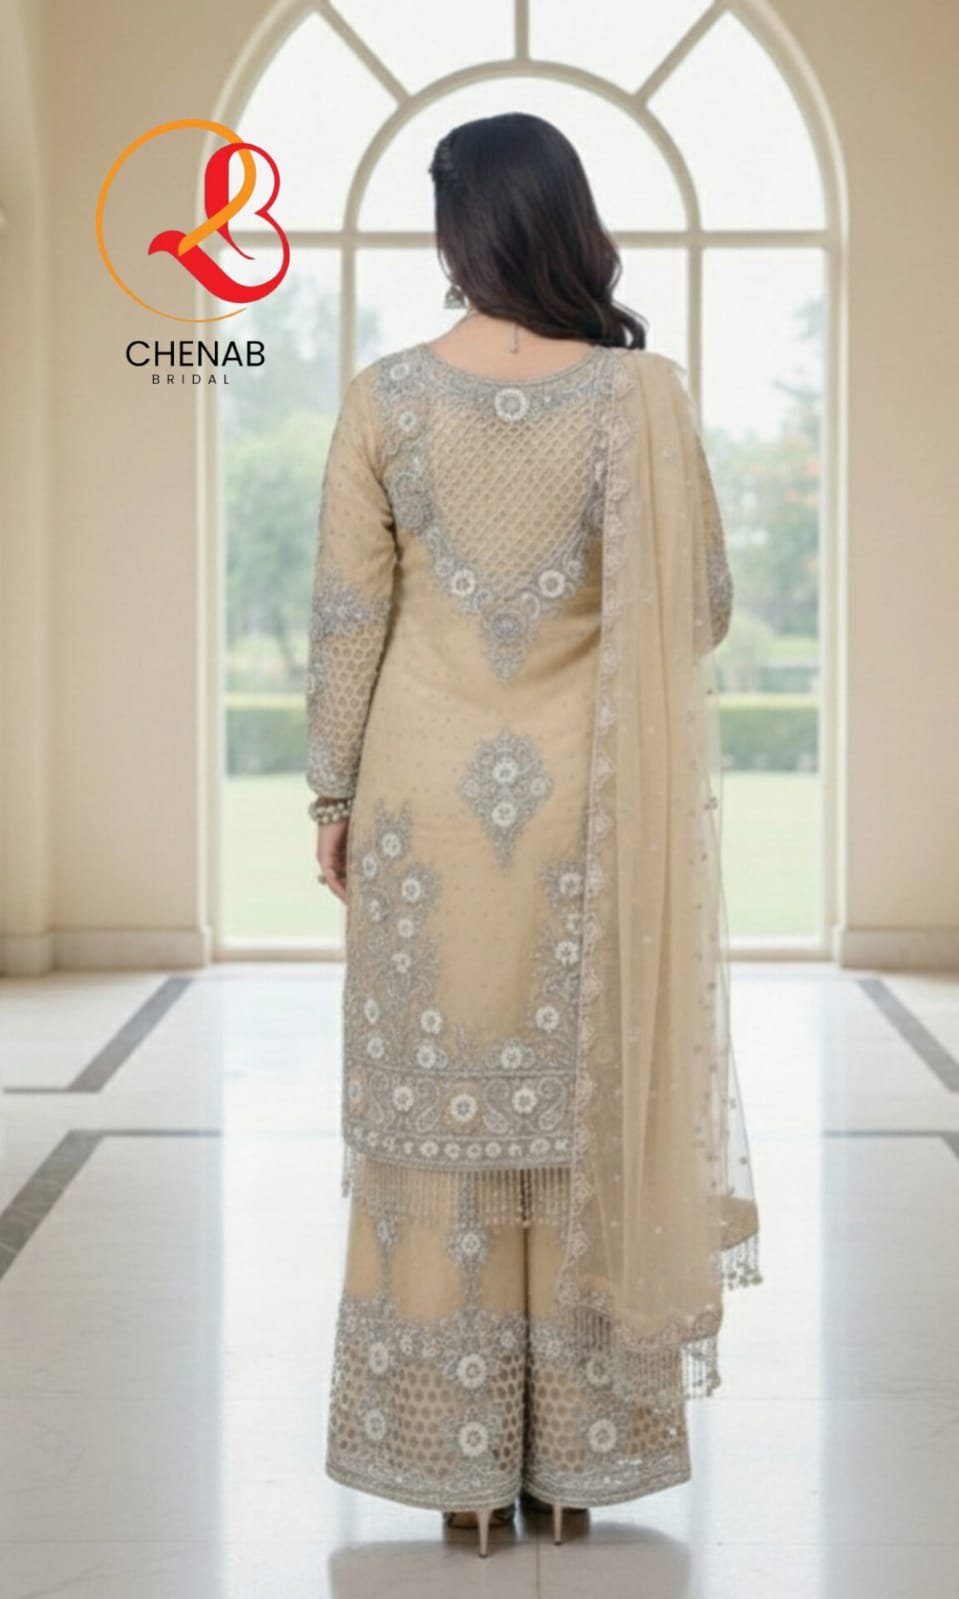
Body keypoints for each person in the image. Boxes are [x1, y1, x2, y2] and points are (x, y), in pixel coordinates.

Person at [305, 111, 762, 1558]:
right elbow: (700, 610)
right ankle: (576, 1469)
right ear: (568, 220)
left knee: (435, 1121)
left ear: (458, 231)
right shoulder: (640, 397)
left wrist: (331, 797)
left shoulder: (385, 399)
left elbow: (347, 620)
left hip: (420, 815)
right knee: (582, 1115)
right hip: (585, 812)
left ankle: (453, 1477)